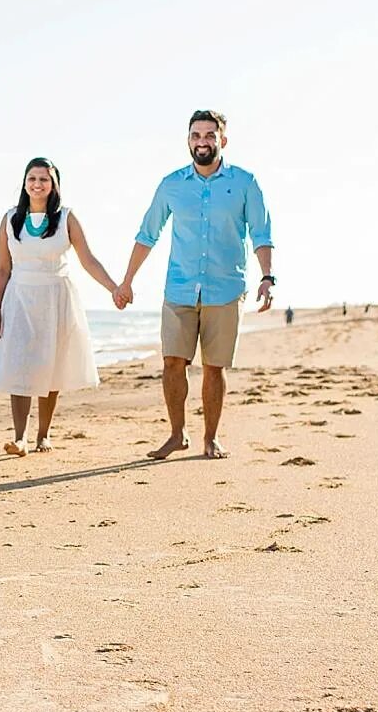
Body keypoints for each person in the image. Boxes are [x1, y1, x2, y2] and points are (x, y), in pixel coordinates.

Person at [115, 110, 274, 460]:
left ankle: (210, 438)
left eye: (209, 135)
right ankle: (177, 434)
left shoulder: (245, 183)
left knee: (214, 367)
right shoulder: (171, 185)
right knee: (173, 361)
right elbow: (148, 234)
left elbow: (261, 233)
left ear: (223, 140)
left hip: (226, 288)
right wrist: (127, 281)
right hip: (180, 289)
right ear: (188, 140)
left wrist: (267, 277)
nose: (202, 141)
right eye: (196, 135)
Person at [0, 158, 120, 455]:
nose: (37, 184)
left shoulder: (66, 218)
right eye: (32, 178)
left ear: (54, 185)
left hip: (56, 297)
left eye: (44, 179)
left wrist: (114, 288)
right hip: (19, 298)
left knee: (51, 364)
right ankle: (20, 437)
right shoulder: (10, 219)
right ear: (24, 183)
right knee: (19, 365)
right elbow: (2, 268)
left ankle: (42, 435)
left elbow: (88, 260)